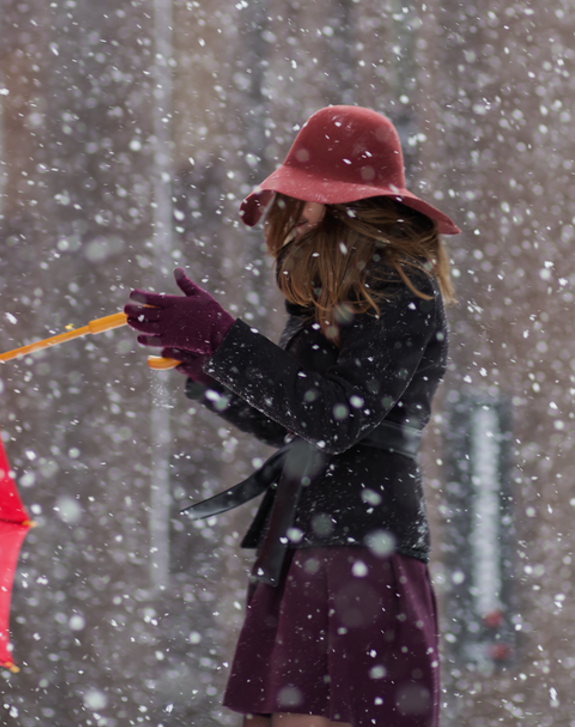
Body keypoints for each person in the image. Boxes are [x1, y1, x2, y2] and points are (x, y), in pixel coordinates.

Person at [124, 105, 460, 727]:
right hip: (309, 537)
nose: (293, 214)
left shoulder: (403, 289)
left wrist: (227, 342)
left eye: (307, 198)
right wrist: (211, 371)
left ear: (347, 206)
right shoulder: (327, 295)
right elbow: (294, 424)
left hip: (363, 541)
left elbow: (337, 417)